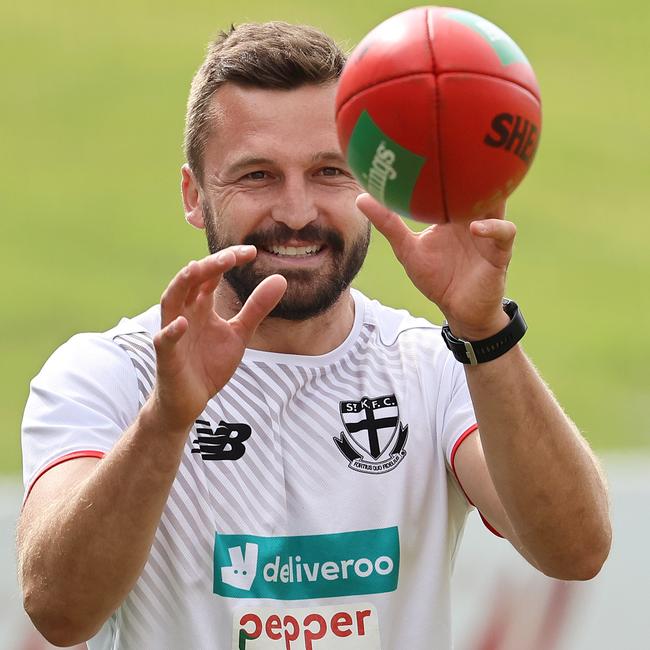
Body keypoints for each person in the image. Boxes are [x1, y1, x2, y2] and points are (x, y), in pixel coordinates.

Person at [18, 21, 611, 650]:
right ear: (194, 196)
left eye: (329, 171)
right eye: (257, 176)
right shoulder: (111, 373)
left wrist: (483, 330)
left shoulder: (432, 364)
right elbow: (58, 610)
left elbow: (576, 550)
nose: (298, 212)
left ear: (368, 181)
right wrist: (166, 421)